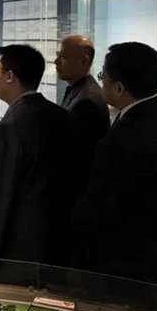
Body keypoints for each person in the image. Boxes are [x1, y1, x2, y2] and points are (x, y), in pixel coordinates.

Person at [72, 42, 157, 311]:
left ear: (120, 87)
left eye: (104, 77)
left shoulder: (121, 139)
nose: (101, 83)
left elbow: (103, 207)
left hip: (133, 271)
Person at [0, 44, 75, 286]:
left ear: (10, 76)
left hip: (17, 251)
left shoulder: (10, 126)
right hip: (58, 243)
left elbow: (2, 196)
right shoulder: (60, 116)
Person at [54, 35, 110, 210]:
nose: (56, 61)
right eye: (57, 55)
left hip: (77, 198)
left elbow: (76, 157)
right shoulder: (78, 90)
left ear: (83, 61)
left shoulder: (87, 100)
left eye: (62, 57)